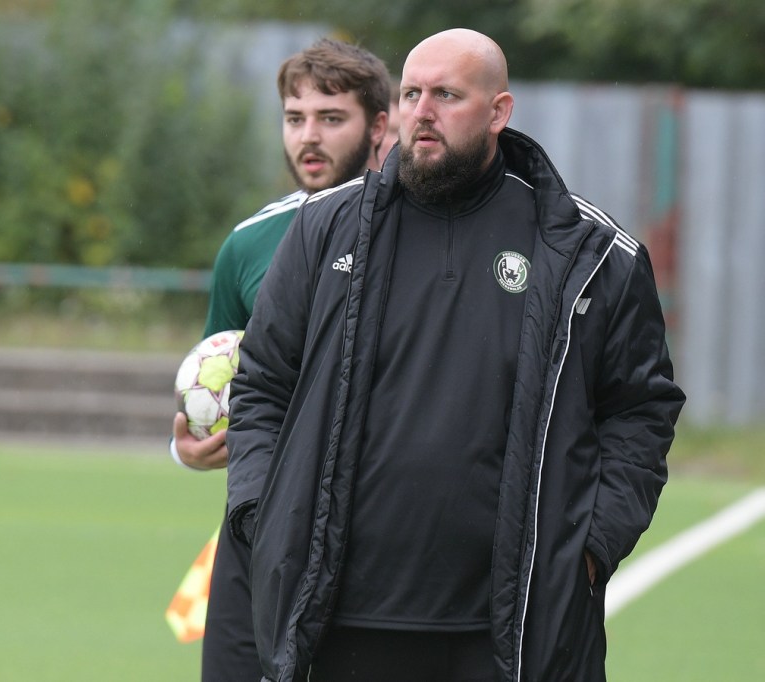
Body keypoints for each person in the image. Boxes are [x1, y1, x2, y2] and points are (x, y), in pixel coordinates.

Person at [226, 28, 686, 682]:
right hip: (336, 621)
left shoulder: (590, 253)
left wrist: (590, 545)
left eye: (446, 95)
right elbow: (262, 385)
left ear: (499, 111)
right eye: (411, 94)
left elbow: (641, 411)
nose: (422, 112)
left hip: (512, 629)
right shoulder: (324, 230)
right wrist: (261, 519)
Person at [168, 38, 391, 682]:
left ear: (379, 127)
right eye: (295, 118)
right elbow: (217, 380)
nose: (308, 136)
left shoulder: (417, 234)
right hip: (262, 524)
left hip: (378, 527)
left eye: (331, 118)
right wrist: (186, 448)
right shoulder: (248, 245)